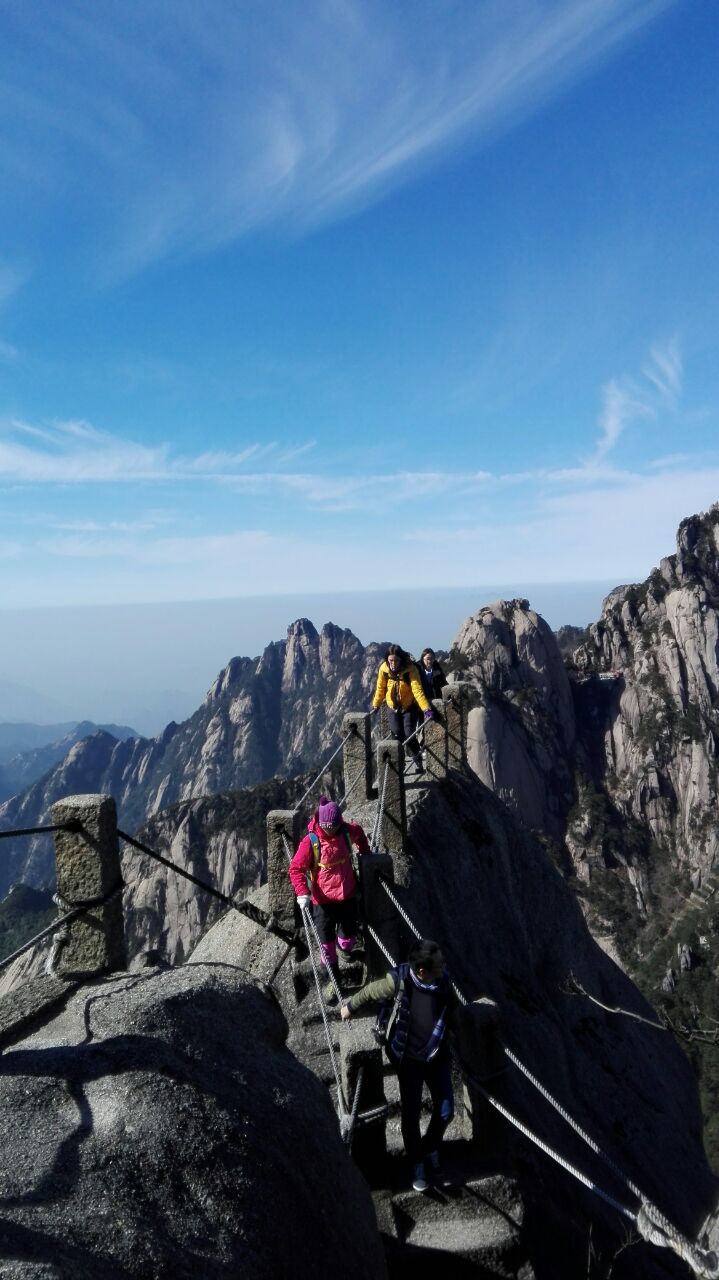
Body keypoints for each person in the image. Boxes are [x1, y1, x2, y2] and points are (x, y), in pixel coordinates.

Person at [341, 938, 457, 1192]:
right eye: (438, 965)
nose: (444, 967)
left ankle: (430, 1147)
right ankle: (417, 1161)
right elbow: (372, 991)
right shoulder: (401, 981)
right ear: (422, 971)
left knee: (446, 1110)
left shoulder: (443, 981)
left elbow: (453, 1009)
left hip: (436, 1054)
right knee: (411, 1112)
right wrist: (350, 1006)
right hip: (408, 1058)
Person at [289, 795, 370, 1004]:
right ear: (322, 824)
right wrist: (302, 892)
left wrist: (365, 853)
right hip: (322, 902)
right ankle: (333, 982)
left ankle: (345, 950)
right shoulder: (311, 841)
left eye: (335, 826)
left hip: (348, 896)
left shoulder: (346, 831)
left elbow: (360, 834)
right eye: (328, 827)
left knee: (348, 937)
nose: (331, 830)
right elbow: (296, 868)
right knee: (326, 946)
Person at [372, 644, 435, 772]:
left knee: (409, 734)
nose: (393, 664)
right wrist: (376, 705)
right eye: (390, 661)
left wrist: (426, 708)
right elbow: (380, 689)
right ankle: (399, 765)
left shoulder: (410, 669)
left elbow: (417, 690)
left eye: (395, 660)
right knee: (396, 734)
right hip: (392, 706)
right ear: (387, 660)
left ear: (401, 659)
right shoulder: (384, 669)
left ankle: (417, 761)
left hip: (409, 706)